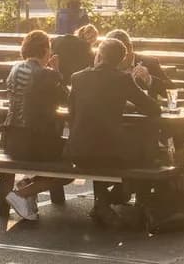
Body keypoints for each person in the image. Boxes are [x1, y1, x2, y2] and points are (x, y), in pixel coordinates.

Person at [68, 38, 161, 227]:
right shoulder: (122, 79)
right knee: (147, 153)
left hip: (77, 150)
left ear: (99, 55)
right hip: (109, 153)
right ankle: (122, 198)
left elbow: (72, 110)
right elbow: (153, 109)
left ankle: (103, 203)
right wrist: (129, 104)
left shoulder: (77, 77)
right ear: (120, 60)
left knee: (101, 142)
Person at [3, 30, 69, 221]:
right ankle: (21, 194)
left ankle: (26, 186)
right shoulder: (47, 75)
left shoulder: (14, 69)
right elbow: (67, 101)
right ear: (45, 51)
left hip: (11, 141)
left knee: (65, 157)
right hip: (35, 143)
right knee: (71, 165)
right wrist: (57, 72)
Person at [106, 28, 172, 99]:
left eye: (119, 53)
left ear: (130, 47)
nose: (115, 60)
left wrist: (149, 79)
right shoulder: (104, 64)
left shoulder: (149, 62)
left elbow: (171, 89)